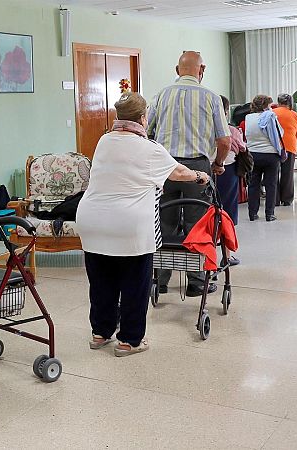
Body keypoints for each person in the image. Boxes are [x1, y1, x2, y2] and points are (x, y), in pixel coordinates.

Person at [76, 92, 210, 356]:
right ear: (142, 117)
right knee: (134, 283)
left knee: (102, 281)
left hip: (92, 221)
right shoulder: (149, 149)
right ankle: (130, 340)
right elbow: (179, 173)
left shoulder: (104, 141)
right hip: (128, 226)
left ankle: (101, 333)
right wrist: (200, 175)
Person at [147, 50, 230, 297]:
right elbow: (224, 140)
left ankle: (160, 280)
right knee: (198, 222)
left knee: (163, 220)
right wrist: (218, 163)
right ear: (201, 71)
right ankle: (196, 281)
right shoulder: (211, 97)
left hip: (165, 167)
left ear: (177, 70)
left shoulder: (161, 95)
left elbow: (145, 131)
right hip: (197, 169)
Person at [245, 95, 286, 222]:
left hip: (253, 155)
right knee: (271, 185)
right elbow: (280, 133)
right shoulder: (270, 117)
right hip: (270, 156)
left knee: (253, 185)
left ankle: (252, 213)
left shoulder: (248, 117)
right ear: (265, 106)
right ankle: (269, 214)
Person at [273, 93, 297, 206]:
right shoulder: (295, 115)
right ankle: (286, 199)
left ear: (278, 102)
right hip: (289, 147)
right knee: (288, 174)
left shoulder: (272, 113)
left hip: (274, 147)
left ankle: (274, 199)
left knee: (274, 173)